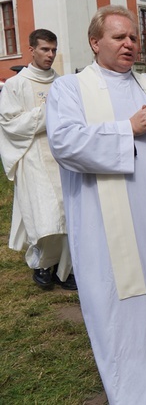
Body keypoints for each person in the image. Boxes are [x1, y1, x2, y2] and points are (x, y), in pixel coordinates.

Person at [45, 6, 146, 404]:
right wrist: (128, 128)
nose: (129, 44)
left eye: (133, 38)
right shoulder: (70, 89)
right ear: (95, 42)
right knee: (122, 305)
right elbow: (65, 144)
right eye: (118, 37)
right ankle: (135, 393)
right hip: (105, 222)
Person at [0, 29, 74, 290]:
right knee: (44, 216)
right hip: (32, 156)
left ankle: (65, 269)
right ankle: (42, 265)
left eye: (53, 50)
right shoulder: (16, 84)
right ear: (32, 49)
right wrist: (47, 115)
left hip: (61, 156)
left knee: (66, 214)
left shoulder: (62, 82)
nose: (50, 55)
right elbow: (10, 123)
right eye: (44, 49)